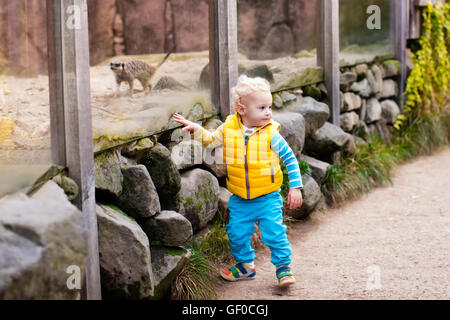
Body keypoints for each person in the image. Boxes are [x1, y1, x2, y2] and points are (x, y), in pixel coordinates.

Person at [172, 74, 303, 287]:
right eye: (261, 108)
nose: (268, 112)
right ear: (242, 110)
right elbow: (211, 139)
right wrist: (195, 129)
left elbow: (290, 159)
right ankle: (246, 266)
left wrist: (295, 187)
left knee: (274, 233)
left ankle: (283, 268)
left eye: (269, 107)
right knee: (236, 233)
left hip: (267, 196)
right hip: (241, 198)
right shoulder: (229, 128)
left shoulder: (271, 134)